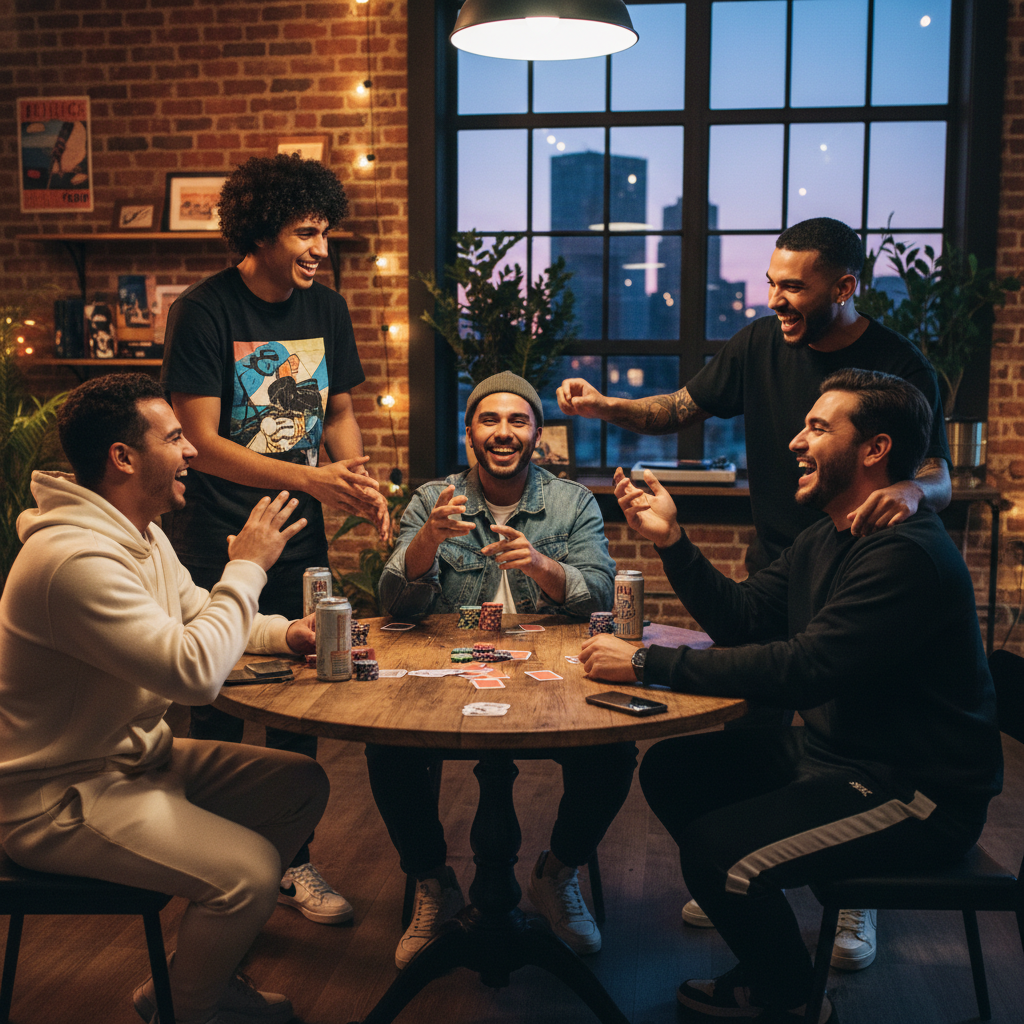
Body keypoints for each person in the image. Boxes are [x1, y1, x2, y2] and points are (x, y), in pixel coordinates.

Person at [557, 216, 953, 963]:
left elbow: (934, 471)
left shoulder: (899, 372)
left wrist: (910, 493)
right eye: (771, 282)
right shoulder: (760, 348)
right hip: (798, 550)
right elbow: (679, 408)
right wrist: (611, 417)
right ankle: (748, 870)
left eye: (792, 286)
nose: (774, 298)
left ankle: (848, 891)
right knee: (749, 730)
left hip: (868, 564)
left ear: (844, 286)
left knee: (849, 715)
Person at [579, 369, 1002, 1023]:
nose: (795, 442)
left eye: (818, 428)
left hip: (917, 793)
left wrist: (643, 662)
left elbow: (804, 669)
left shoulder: (905, 554)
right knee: (673, 770)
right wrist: (672, 540)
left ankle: (787, 995)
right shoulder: (827, 536)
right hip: (842, 756)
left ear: (875, 449)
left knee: (715, 854)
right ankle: (770, 950)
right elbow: (744, 618)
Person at [0, 374, 331, 1024]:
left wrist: (284, 633)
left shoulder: (140, 535)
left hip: (134, 763)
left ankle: (187, 984)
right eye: (176, 437)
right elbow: (194, 673)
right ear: (123, 457)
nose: (192, 451)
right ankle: (191, 1009)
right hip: (58, 798)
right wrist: (248, 565)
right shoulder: (74, 561)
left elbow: (200, 615)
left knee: (300, 785)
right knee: (248, 875)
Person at [162, 153, 388, 927]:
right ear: (261, 231)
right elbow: (200, 443)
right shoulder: (204, 312)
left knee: (303, 699)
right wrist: (313, 478)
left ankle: (292, 860)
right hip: (216, 539)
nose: (321, 248)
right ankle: (215, 871)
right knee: (219, 702)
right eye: (306, 232)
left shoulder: (326, 307)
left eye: (325, 232)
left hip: (299, 535)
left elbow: (340, 412)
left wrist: (352, 476)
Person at [374, 371, 635, 966]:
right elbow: (394, 600)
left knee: (614, 753)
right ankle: (433, 881)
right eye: (489, 419)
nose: (503, 431)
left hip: (555, 679)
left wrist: (541, 564)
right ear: (469, 432)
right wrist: (426, 542)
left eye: (518, 420)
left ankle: (556, 872)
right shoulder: (434, 499)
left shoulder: (572, 501)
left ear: (537, 434)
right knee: (388, 750)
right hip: (451, 673)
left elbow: (602, 593)